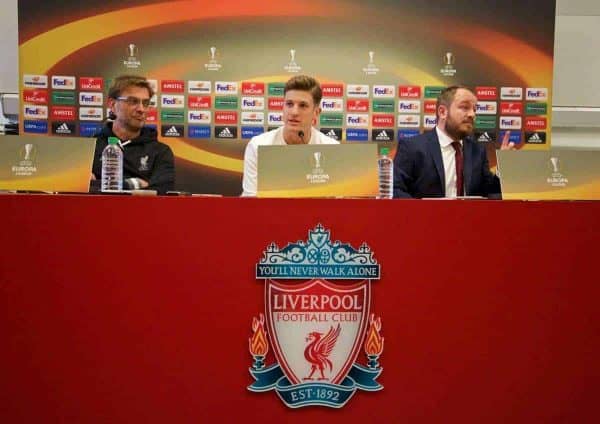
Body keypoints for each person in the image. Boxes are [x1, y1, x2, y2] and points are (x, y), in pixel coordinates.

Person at [393, 85, 511, 199]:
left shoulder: (477, 151)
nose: (472, 114)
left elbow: (490, 194)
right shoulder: (412, 147)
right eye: (465, 107)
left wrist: (503, 166)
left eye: (475, 110)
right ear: (443, 112)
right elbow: (396, 190)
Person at [241, 75, 339, 196]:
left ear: (316, 113)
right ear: (282, 107)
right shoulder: (258, 146)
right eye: (289, 104)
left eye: (303, 105)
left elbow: (335, 203)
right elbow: (250, 201)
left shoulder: (332, 149)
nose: (294, 112)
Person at [91, 75, 175, 194]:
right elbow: (78, 188)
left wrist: (101, 183)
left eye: (145, 103)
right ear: (112, 105)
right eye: (133, 101)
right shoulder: (90, 147)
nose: (141, 109)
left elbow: (161, 192)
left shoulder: (161, 152)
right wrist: (135, 183)